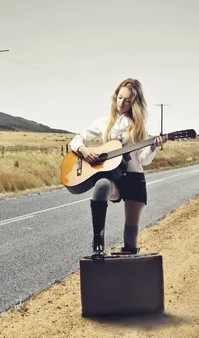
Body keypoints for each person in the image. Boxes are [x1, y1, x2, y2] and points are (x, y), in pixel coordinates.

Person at [68, 78, 166, 259]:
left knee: (130, 244)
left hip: (134, 179)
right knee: (101, 186)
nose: (122, 103)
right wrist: (84, 149)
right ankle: (98, 244)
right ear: (115, 96)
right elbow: (77, 139)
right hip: (113, 176)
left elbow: (142, 160)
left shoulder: (138, 126)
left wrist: (154, 147)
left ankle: (127, 278)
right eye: (120, 97)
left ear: (134, 103)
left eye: (128, 100)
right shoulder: (104, 122)